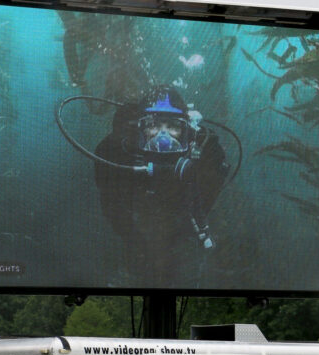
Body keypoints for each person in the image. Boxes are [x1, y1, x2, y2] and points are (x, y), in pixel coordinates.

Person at [93, 86, 229, 280]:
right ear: (138, 129)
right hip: (137, 224)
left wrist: (180, 234)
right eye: (152, 125)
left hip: (178, 225)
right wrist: (131, 236)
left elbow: (207, 197)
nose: (162, 138)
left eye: (173, 127)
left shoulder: (205, 152)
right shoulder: (119, 153)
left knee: (171, 265)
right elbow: (110, 202)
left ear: (187, 131)